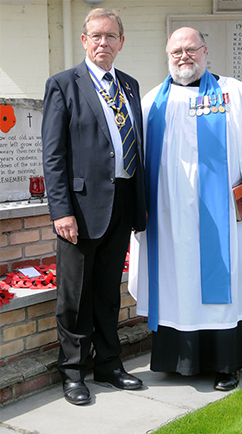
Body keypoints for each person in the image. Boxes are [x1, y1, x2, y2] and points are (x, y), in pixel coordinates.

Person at [129, 27, 242, 391]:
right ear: (167, 56)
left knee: (226, 284)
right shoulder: (153, 101)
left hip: (222, 218)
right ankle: (178, 360)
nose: (183, 57)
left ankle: (226, 363)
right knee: (177, 284)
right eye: (176, 52)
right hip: (169, 217)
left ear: (204, 51)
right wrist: (140, 209)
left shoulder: (233, 93)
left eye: (190, 50)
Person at [42, 8, 146, 405]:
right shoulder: (63, 85)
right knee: (75, 295)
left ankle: (109, 365)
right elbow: (53, 156)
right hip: (81, 210)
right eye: (96, 36)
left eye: (112, 36)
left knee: (106, 292)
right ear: (84, 40)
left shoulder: (131, 85)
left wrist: (139, 205)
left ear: (122, 42)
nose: (104, 43)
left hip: (121, 201)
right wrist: (60, 211)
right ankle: (72, 372)